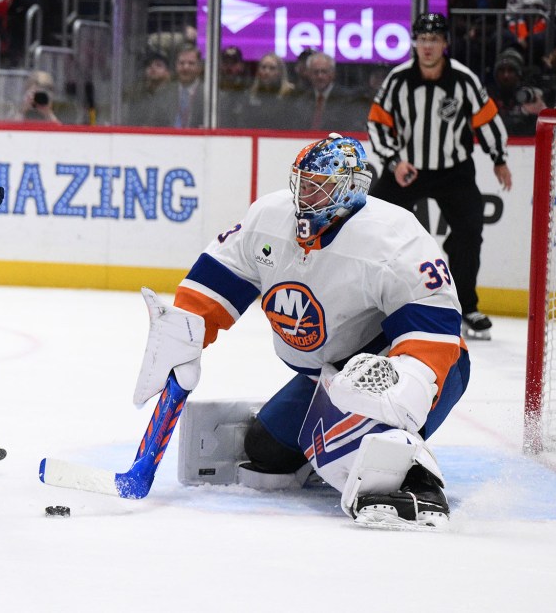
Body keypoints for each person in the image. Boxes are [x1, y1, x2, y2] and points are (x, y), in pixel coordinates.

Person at [137, 133, 469, 529]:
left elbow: (433, 334)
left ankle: (418, 483)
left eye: (321, 187)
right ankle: (339, 444)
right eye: (304, 182)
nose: (305, 196)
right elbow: (215, 282)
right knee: (266, 449)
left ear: (351, 190)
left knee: (353, 449)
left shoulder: (395, 238)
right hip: (329, 373)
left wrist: (401, 392)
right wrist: (184, 336)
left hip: (418, 366)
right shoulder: (269, 218)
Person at [367, 13, 512, 340]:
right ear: (414, 42)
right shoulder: (398, 79)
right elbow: (377, 122)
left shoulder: (463, 79)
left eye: (434, 40)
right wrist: (394, 161)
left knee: (469, 232)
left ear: (445, 44)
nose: (428, 46)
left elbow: (486, 119)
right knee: (369, 224)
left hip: (454, 172)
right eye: (422, 39)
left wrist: (499, 158)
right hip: (408, 169)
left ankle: (468, 306)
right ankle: (367, 301)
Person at [292, 51, 366, 132]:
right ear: (309, 74)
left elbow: (352, 127)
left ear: (333, 74)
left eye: (324, 72)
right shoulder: (302, 100)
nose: (320, 76)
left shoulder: (347, 99)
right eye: (316, 72)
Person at [488, 48, 542, 136]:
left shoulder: (529, 96)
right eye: (502, 70)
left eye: (510, 70)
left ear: (518, 74)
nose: (506, 75)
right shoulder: (488, 96)